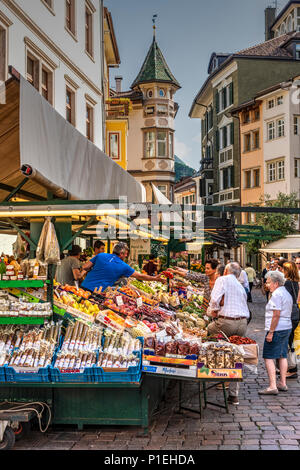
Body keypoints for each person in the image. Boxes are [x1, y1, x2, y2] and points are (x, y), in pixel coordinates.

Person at [207, 262, 250, 405]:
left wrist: (213, 310)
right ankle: (234, 394)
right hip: (242, 323)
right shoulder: (240, 286)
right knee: (236, 354)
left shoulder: (222, 279)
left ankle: (216, 375)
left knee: (208, 333)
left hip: (226, 322)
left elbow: (214, 300)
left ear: (226, 271)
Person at [258, 271, 293, 395]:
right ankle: (282, 383)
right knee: (282, 355)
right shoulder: (285, 292)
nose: (267, 285)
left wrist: (271, 332)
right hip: (286, 327)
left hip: (277, 328)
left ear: (276, 283)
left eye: (268, 283)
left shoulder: (277, 294)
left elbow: (276, 315)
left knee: (268, 356)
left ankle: (272, 385)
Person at [81, 242, 164, 293]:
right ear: (121, 253)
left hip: (83, 287)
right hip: (96, 293)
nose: (126, 255)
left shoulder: (101, 255)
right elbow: (140, 276)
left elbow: (84, 267)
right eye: (126, 254)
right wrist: (155, 278)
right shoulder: (123, 266)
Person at [283, 262, 300, 379]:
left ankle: (293, 368)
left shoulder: (288, 283)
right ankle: (291, 366)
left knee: (288, 341)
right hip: (295, 314)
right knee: (290, 340)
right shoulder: (295, 282)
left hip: (289, 314)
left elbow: (286, 299)